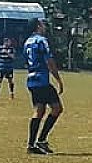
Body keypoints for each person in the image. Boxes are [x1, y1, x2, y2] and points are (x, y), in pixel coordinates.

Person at [23, 19, 64, 155]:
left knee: (39, 111)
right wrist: (58, 79)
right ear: (38, 26)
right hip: (42, 80)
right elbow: (49, 60)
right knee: (57, 108)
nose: (45, 26)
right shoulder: (41, 40)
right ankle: (41, 140)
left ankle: (31, 144)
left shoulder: (27, 42)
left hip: (31, 79)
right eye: (43, 24)